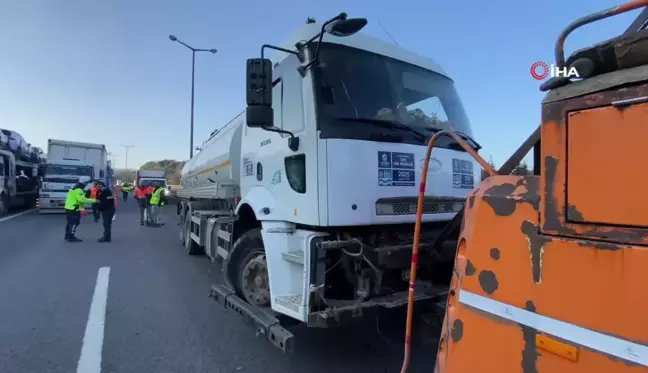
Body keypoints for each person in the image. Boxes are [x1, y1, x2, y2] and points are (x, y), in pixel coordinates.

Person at [64, 176, 96, 242]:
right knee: (75, 222)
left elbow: (78, 200)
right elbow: (82, 199)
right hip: (74, 208)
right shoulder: (79, 189)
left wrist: (81, 209)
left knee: (70, 222)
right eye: (87, 182)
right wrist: (95, 200)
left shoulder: (75, 187)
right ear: (84, 182)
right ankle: (71, 237)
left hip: (69, 207)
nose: (87, 184)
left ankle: (67, 235)